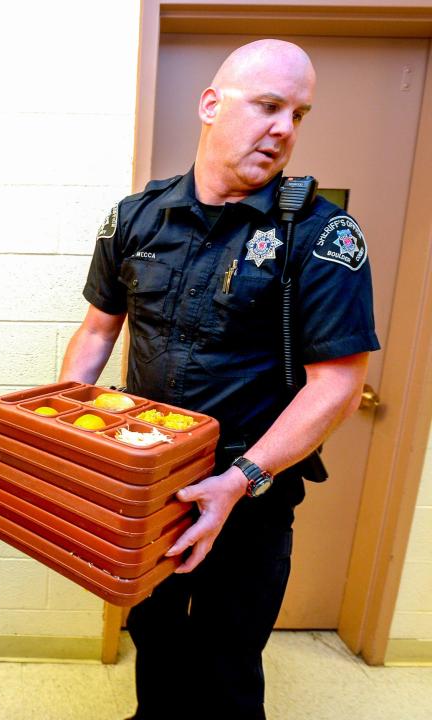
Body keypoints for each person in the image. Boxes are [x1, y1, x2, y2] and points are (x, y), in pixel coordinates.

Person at [59, 39, 379, 719]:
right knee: (153, 631)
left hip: (251, 494)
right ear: (211, 104)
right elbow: (95, 334)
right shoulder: (135, 218)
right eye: (268, 106)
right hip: (148, 485)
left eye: (298, 114)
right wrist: (72, 444)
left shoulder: (323, 236)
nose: (285, 129)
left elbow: (338, 386)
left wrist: (239, 483)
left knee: (229, 655)